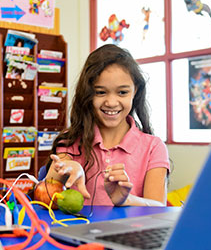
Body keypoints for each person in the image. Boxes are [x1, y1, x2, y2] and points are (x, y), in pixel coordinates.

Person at [44, 44, 170, 206]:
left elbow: (159, 207)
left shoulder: (153, 146)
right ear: (88, 94)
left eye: (122, 92)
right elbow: (45, 198)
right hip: (78, 231)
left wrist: (126, 199)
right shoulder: (71, 142)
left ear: (135, 91)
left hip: (130, 231)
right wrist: (61, 170)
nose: (111, 102)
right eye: (101, 92)